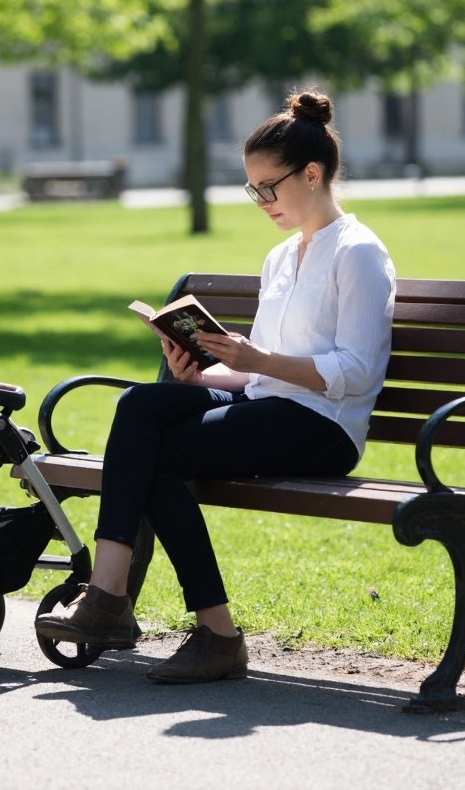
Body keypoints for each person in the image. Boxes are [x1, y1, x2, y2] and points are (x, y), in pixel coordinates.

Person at [35, 90, 396, 684]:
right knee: (141, 403)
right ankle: (112, 596)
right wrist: (202, 370)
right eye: (252, 189)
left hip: (323, 426)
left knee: (162, 455)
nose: (260, 202)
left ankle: (205, 631)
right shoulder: (281, 257)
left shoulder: (358, 253)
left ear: (312, 174)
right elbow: (255, 373)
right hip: (269, 403)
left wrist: (258, 360)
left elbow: (357, 372)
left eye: (267, 187)